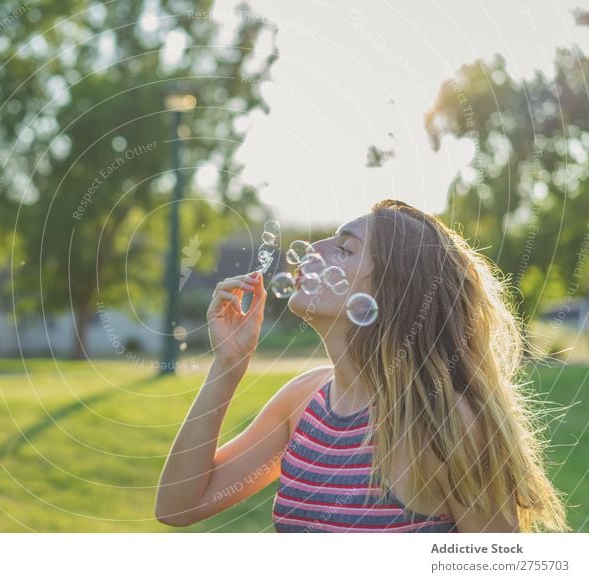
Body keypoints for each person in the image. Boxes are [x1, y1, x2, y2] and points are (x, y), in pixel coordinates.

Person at [155, 199, 570, 532]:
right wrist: (228, 364)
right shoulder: (303, 403)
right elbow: (179, 504)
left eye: (344, 249)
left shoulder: (441, 424)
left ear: (391, 292)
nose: (312, 252)